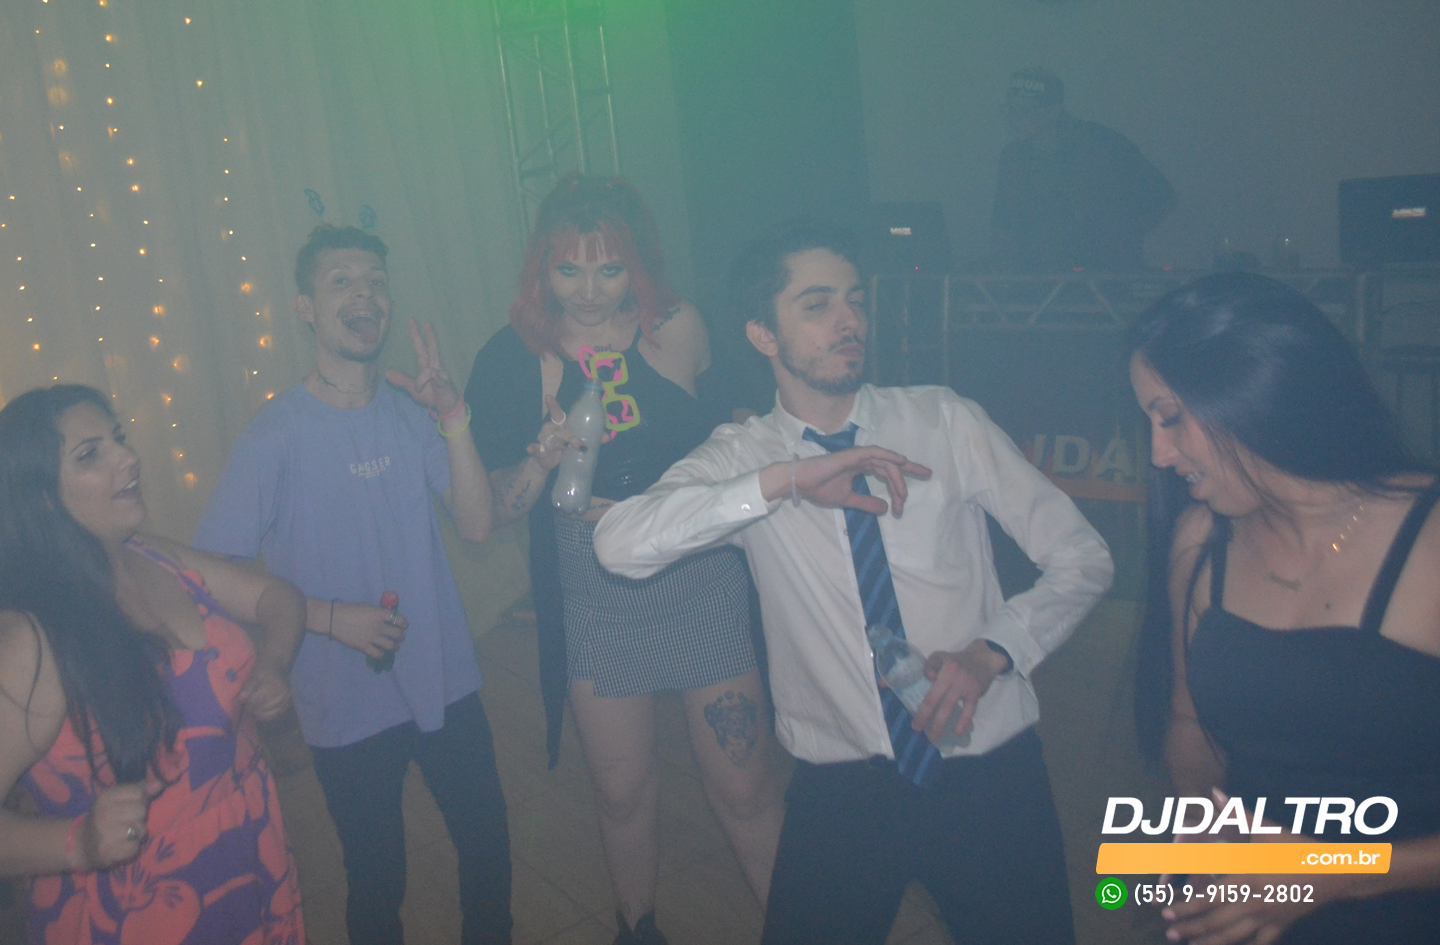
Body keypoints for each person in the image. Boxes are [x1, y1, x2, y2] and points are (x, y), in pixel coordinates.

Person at [594, 225, 1114, 945]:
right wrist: (785, 482)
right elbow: (617, 545)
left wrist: (993, 650)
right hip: (843, 786)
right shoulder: (746, 457)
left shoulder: (942, 419)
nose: (850, 321)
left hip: (989, 768)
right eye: (817, 305)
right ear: (762, 335)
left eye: (855, 300)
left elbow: (1083, 557)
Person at [464, 176, 783, 944]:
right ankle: (637, 929)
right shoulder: (513, 357)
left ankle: (804, 924)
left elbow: (746, 423)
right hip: (593, 586)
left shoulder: (678, 327)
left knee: (744, 787)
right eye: (568, 269)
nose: (588, 290)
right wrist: (542, 459)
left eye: (609, 268)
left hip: (698, 569)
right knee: (621, 792)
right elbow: (494, 508)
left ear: (636, 265)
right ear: (541, 269)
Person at [191, 224, 510, 945]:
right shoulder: (274, 435)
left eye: (375, 281)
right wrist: (331, 617)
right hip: (343, 700)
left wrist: (453, 416)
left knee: (487, 848)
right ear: (305, 308)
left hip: (445, 676)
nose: (364, 294)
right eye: (341, 281)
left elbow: (477, 524)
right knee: (377, 877)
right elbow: (211, 571)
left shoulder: (410, 412)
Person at [0, 384, 307, 944]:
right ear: (42, 497)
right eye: (90, 454)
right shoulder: (27, 637)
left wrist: (275, 661)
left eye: (118, 439)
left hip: (249, 853)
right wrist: (78, 843)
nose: (128, 457)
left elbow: (276, 596)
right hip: (139, 909)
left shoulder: (153, 555)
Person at [1129, 272, 1440, 943]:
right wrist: (1203, 840)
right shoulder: (1200, 540)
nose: (1158, 453)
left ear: (1257, 390)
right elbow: (1191, 734)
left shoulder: (1428, 536)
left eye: (1171, 417)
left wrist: (1333, 871)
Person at [991, 67, 1174, 272]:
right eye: (1009, 109)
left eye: (1024, 110)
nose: (1013, 117)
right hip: (1039, 278)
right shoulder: (1013, 156)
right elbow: (1003, 222)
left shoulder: (1102, 144)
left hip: (1105, 277)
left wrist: (1120, 239)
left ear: (1054, 111)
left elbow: (1161, 196)